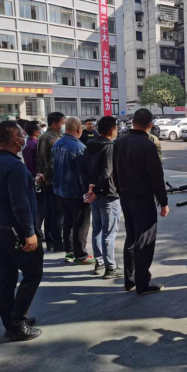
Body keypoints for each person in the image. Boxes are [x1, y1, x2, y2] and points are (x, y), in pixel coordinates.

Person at [0, 121, 43, 341]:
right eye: (21, 135)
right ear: (14, 139)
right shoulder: (13, 165)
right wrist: (29, 232)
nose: (24, 139)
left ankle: (11, 322)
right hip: (14, 230)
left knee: (6, 278)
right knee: (33, 273)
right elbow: (20, 204)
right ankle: (17, 322)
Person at [113, 108, 169, 295]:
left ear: (133, 122)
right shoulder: (148, 145)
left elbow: (114, 172)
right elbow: (156, 177)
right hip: (143, 198)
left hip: (126, 197)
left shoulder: (119, 142)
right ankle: (142, 283)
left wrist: (120, 191)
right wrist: (163, 202)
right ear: (150, 125)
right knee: (145, 239)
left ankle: (130, 279)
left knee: (131, 236)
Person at [81, 116, 124, 279]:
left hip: (94, 194)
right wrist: (97, 190)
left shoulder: (90, 145)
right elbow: (107, 173)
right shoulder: (109, 147)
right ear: (112, 129)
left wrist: (90, 188)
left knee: (97, 230)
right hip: (108, 194)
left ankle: (99, 263)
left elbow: (83, 170)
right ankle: (110, 267)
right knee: (109, 233)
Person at [52, 117, 94, 265]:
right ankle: (81, 255)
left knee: (68, 222)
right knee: (81, 224)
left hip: (60, 190)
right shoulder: (79, 147)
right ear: (78, 129)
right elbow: (82, 173)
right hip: (75, 191)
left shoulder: (57, 143)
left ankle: (69, 252)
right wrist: (87, 191)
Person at [37, 112, 66, 253]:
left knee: (50, 213)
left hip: (47, 180)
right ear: (54, 124)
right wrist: (46, 175)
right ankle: (56, 242)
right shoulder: (52, 138)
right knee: (57, 214)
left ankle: (51, 241)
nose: (63, 125)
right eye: (62, 123)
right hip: (52, 180)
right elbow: (51, 162)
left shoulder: (45, 136)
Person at [23, 121, 48, 248]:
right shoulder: (36, 144)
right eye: (39, 129)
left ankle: (37, 230)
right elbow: (40, 162)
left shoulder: (27, 143)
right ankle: (37, 231)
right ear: (35, 132)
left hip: (30, 175)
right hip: (37, 177)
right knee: (41, 207)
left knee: (36, 205)